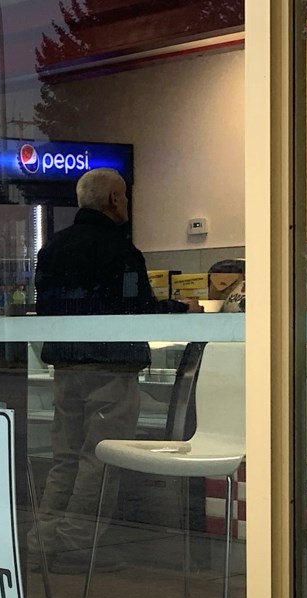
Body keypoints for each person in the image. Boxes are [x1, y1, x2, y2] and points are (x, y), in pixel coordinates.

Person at [31, 167, 200, 573]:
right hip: (110, 367)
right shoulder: (121, 251)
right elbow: (135, 310)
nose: (125, 202)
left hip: (65, 365)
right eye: (123, 196)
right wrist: (181, 309)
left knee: (65, 456)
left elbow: (50, 307)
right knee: (100, 458)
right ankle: (77, 547)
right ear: (112, 200)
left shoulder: (52, 248)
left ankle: (43, 540)